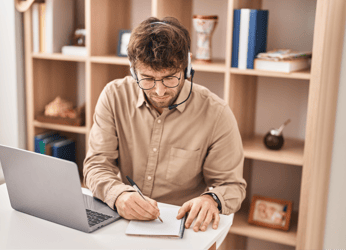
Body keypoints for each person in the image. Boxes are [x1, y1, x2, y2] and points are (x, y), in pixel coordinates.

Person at [83, 16, 246, 232]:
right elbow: (96, 164)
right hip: (124, 221)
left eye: (170, 78)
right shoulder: (114, 96)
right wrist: (118, 194)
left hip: (184, 226)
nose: (159, 92)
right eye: (148, 79)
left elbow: (232, 185)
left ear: (186, 70)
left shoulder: (216, 113)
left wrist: (211, 199)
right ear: (133, 71)